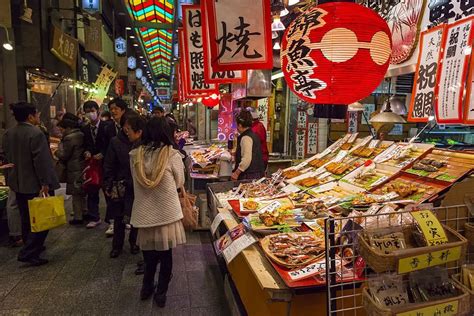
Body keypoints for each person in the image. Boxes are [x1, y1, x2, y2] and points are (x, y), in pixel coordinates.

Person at [130, 117, 186, 307]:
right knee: (166, 256)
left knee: (149, 256)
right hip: (166, 213)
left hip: (144, 213)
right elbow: (179, 182)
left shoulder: (135, 155)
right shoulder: (172, 155)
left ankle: (146, 288)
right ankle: (161, 293)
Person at [2, 102, 60, 266]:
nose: (38, 116)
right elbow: (41, 161)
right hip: (35, 184)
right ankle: (29, 251)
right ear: (30, 116)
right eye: (37, 114)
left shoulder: (8, 133)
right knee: (43, 219)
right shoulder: (36, 133)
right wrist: (45, 182)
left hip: (17, 183)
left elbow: (6, 156)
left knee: (26, 218)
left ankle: (32, 246)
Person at [103, 110, 142, 258]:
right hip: (120, 184)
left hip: (137, 184)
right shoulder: (115, 141)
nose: (127, 128)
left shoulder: (140, 141)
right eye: (125, 124)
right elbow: (109, 164)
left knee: (136, 216)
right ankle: (117, 246)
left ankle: (134, 242)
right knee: (118, 216)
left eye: (130, 125)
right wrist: (107, 183)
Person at [103, 98, 128, 237]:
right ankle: (113, 224)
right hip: (114, 169)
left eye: (116, 109)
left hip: (128, 169)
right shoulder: (108, 128)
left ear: (123, 110)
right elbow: (104, 147)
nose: (113, 112)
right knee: (114, 201)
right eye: (111, 109)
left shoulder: (132, 124)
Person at [54, 113, 86, 225]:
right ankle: (84, 211)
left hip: (74, 167)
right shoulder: (80, 134)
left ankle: (78, 217)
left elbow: (64, 155)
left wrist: (56, 151)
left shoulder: (68, 138)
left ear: (68, 128)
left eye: (61, 129)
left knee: (76, 193)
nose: (60, 131)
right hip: (81, 165)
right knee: (81, 191)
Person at [81, 101, 108, 228]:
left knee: (108, 191)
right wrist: (87, 152)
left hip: (105, 164)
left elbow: (110, 144)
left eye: (92, 110)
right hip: (92, 165)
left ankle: (112, 219)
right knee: (92, 190)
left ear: (98, 111)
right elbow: (85, 145)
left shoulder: (107, 126)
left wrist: (103, 153)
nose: (90, 113)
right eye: (87, 111)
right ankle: (94, 217)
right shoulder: (85, 129)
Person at [231, 110, 265, 181]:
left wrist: (236, 173)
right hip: (257, 172)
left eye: (236, 124)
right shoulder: (253, 135)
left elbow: (246, 159)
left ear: (240, 125)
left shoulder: (246, 137)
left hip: (249, 175)